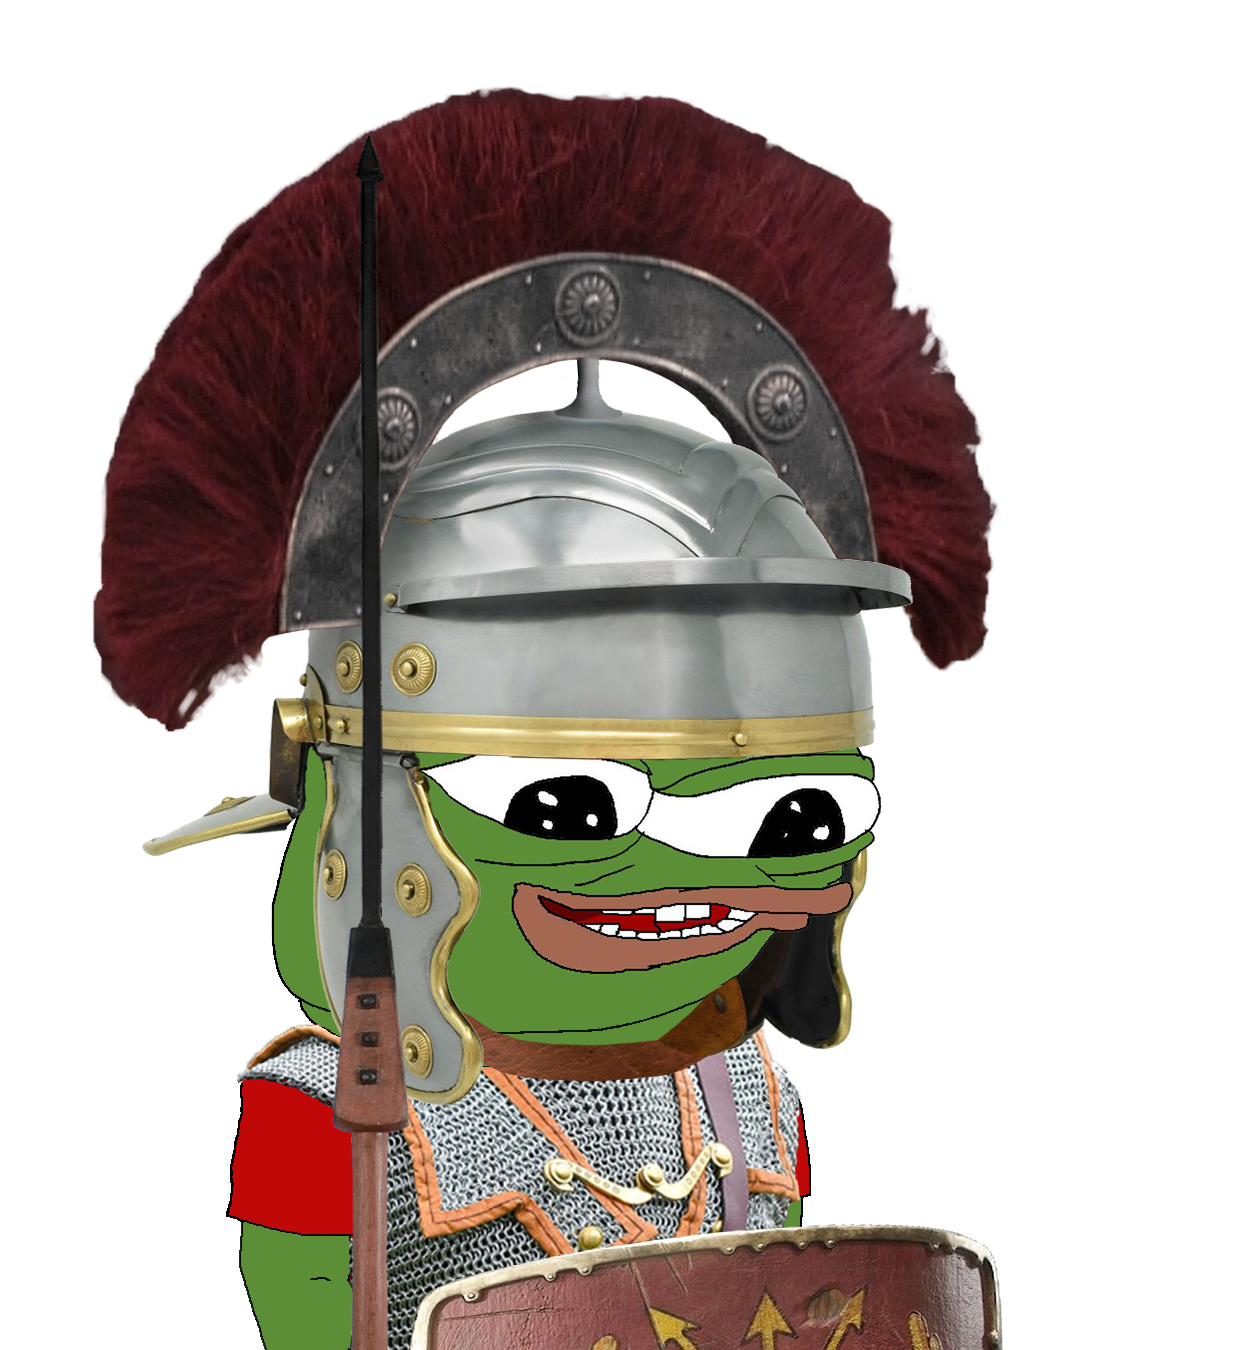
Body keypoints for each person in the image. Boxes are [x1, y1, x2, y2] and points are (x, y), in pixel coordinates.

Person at [100, 88, 990, 1350]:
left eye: (793, 818)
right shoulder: (325, 1110)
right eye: (572, 808)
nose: (699, 873)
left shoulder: (747, 1085)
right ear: (384, 797)